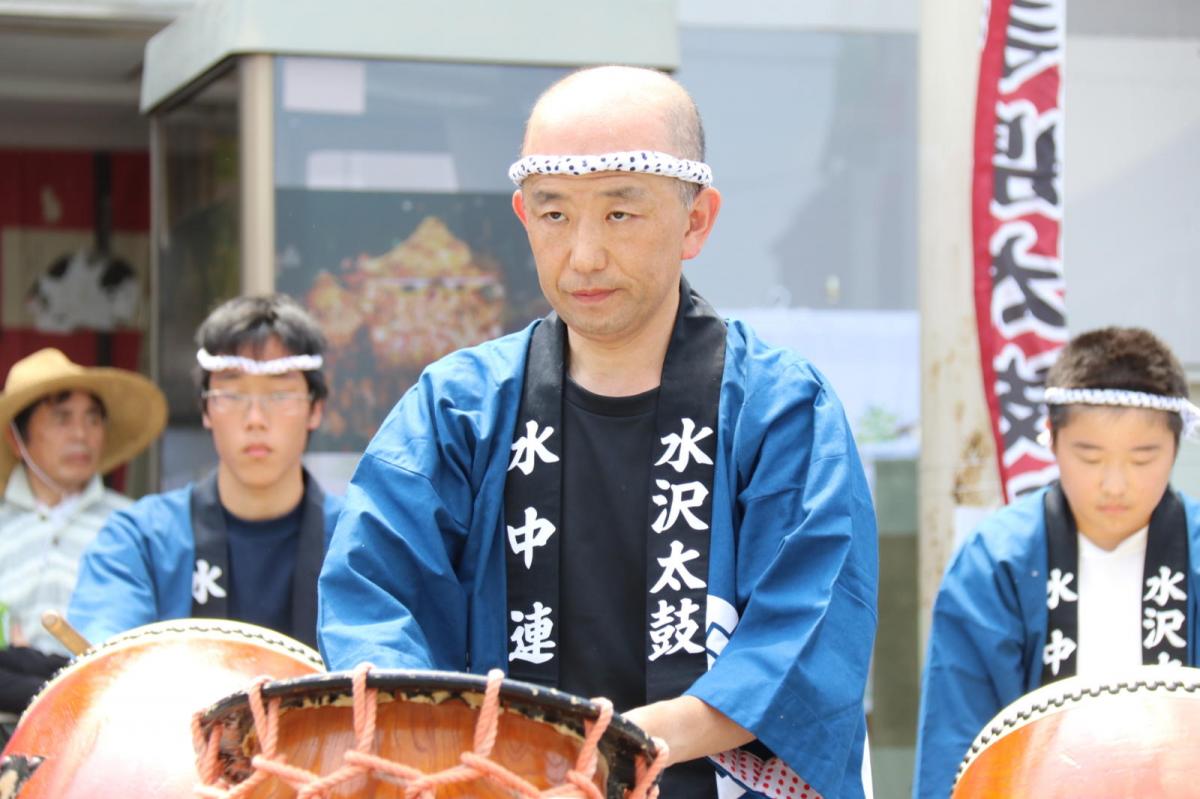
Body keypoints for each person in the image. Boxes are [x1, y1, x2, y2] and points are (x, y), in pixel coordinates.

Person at [318, 65, 878, 798]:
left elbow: (806, 637)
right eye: (554, 214)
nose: (583, 254)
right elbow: (371, 603)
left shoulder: (780, 411)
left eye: (620, 213)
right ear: (524, 216)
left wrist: (605, 755)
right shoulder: (457, 411)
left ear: (696, 220)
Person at [914, 326, 1200, 798]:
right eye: (1090, 457)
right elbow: (958, 744)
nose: (1114, 484)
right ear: (1051, 437)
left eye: (1142, 458)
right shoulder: (996, 561)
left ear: (1176, 445)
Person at [69, 295, 341, 650]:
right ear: (206, 408)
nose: (255, 419)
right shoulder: (139, 541)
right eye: (232, 395)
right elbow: (106, 657)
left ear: (315, 409)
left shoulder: (357, 540)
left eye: (279, 395)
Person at [0, 348, 165, 714]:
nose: (81, 434)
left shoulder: (136, 525)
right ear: (16, 438)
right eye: (61, 418)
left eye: (93, 419)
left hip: (108, 714)